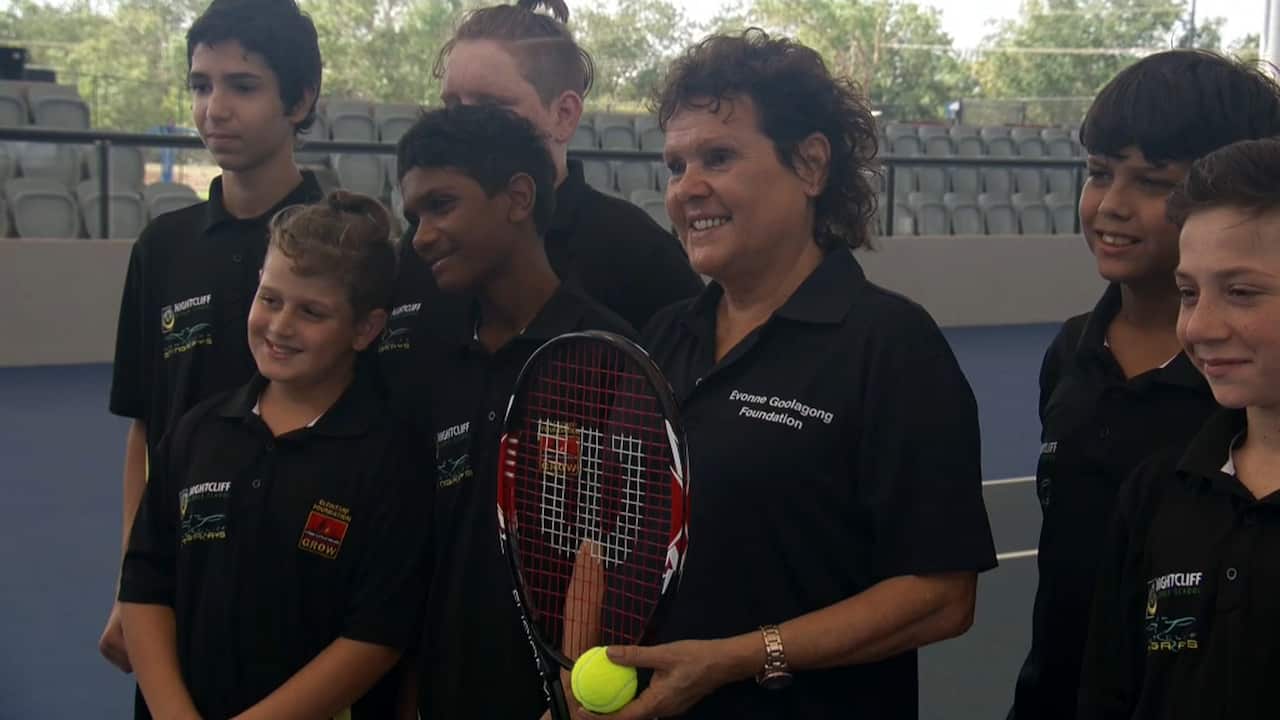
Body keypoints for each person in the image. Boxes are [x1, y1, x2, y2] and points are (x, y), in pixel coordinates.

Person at [592, 29, 996, 719]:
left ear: (810, 165)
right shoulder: (662, 337)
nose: (688, 188)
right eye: (675, 166)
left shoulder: (891, 345)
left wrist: (735, 659)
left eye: (719, 157)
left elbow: (941, 596)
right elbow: (606, 539)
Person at [1009, 50, 1280, 720]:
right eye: (1099, 173)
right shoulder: (1073, 351)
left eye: (1153, 182)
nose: (1111, 206)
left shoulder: (1243, 387)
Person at [118, 191, 431, 720]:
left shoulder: (390, 460)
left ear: (365, 329)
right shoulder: (198, 433)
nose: (281, 326)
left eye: (311, 312)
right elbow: (146, 585)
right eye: (269, 299)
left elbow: (377, 634)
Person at [386, 103, 635, 719]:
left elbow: (617, 553)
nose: (420, 236)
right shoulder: (430, 354)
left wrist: (572, 693)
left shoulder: (607, 355)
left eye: (441, 205)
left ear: (519, 197)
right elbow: (416, 551)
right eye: (414, 216)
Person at [101, 0, 326, 672]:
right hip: (179, 578)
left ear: (300, 100)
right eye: (201, 85)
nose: (214, 109)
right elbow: (146, 429)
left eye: (243, 86)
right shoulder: (162, 248)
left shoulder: (347, 247)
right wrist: (132, 581)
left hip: (304, 581)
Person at [377, 0, 701, 371]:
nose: (461, 125)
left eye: (490, 107)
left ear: (564, 115)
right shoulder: (420, 250)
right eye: (451, 105)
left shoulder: (639, 255)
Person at [1078, 137, 1280, 719]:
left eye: (1240, 292)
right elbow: (1109, 694)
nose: (1199, 327)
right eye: (1189, 293)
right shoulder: (1156, 494)